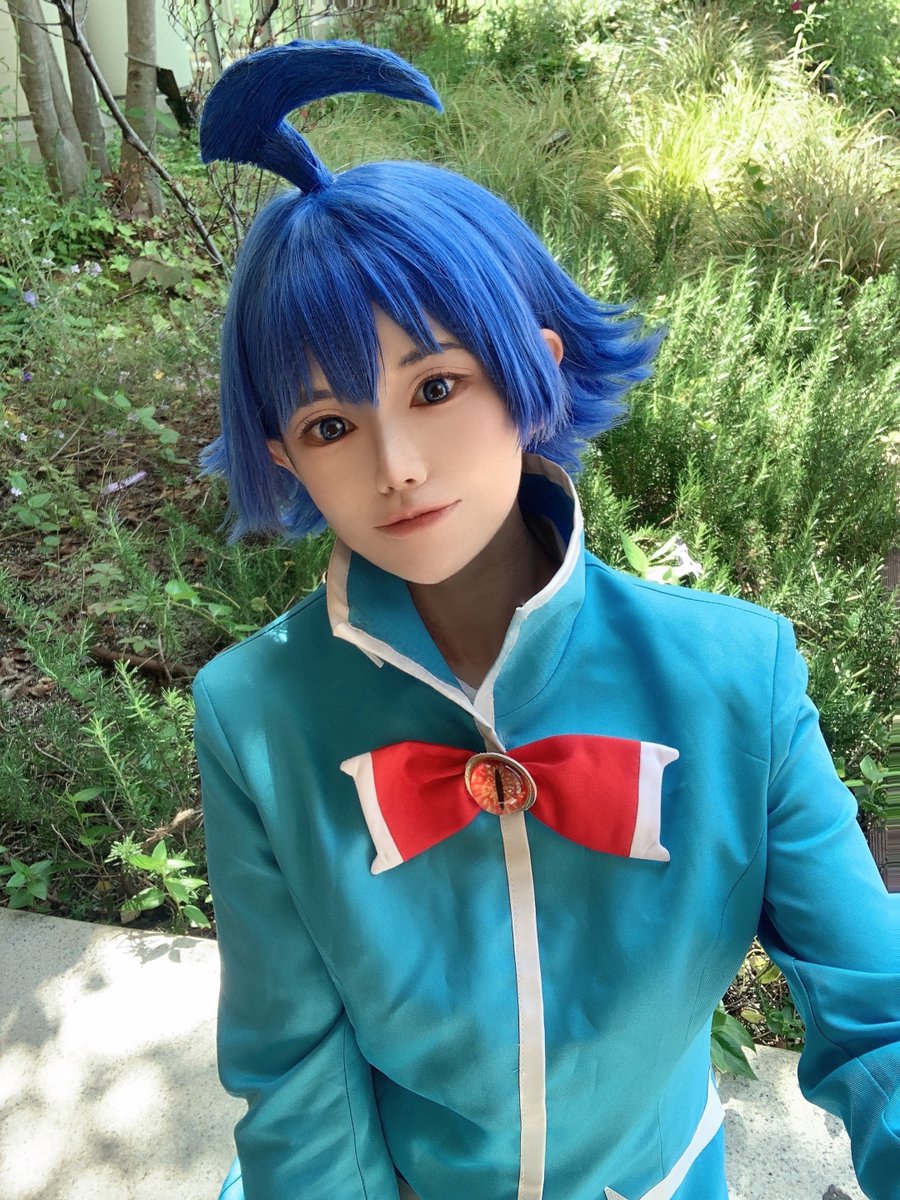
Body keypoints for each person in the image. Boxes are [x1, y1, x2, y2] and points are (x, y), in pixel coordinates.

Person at [192, 39, 900, 1200]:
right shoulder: (254, 715)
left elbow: (881, 1018)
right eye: (330, 426)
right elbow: (295, 1076)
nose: (397, 464)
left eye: (435, 386)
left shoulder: (736, 676)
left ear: (534, 369)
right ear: (285, 458)